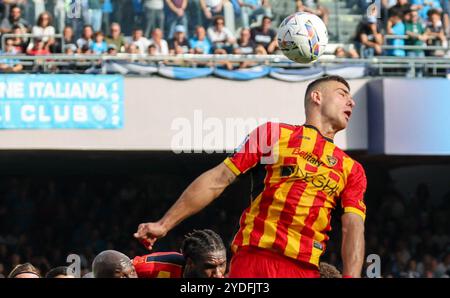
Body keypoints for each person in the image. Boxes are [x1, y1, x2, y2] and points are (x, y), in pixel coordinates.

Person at [134, 75, 367, 278]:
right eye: (342, 94)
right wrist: (163, 225)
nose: (352, 101)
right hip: (255, 259)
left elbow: (353, 228)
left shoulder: (352, 169)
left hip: (306, 268)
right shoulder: (274, 134)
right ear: (317, 97)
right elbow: (219, 178)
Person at [134, 229, 226, 278]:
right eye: (209, 266)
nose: (218, 274)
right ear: (190, 263)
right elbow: (121, 268)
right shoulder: (153, 267)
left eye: (222, 265)